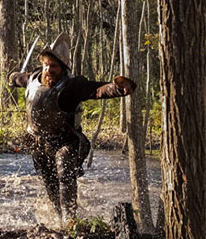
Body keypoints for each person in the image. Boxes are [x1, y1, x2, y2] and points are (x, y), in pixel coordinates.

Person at [8, 33, 136, 223]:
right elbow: (18, 78)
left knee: (64, 169)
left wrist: (118, 88)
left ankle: (70, 223)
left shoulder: (71, 86)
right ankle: (59, 218)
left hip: (65, 141)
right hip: (38, 142)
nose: (49, 69)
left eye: (54, 66)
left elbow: (96, 90)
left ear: (62, 68)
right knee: (49, 182)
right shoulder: (33, 78)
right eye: (46, 65)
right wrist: (11, 77)